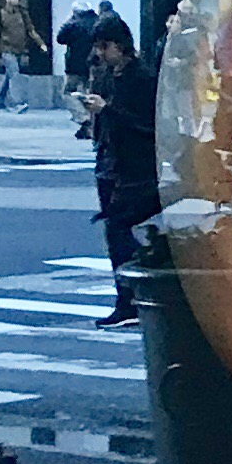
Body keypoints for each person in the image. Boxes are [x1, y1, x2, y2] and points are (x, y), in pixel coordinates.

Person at [86, 17, 161, 324]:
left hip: (136, 167)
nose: (101, 53)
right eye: (98, 47)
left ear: (120, 45)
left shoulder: (141, 77)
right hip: (111, 161)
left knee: (118, 226)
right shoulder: (107, 75)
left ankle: (133, 292)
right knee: (114, 227)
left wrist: (107, 110)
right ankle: (127, 296)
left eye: (105, 46)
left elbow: (147, 124)